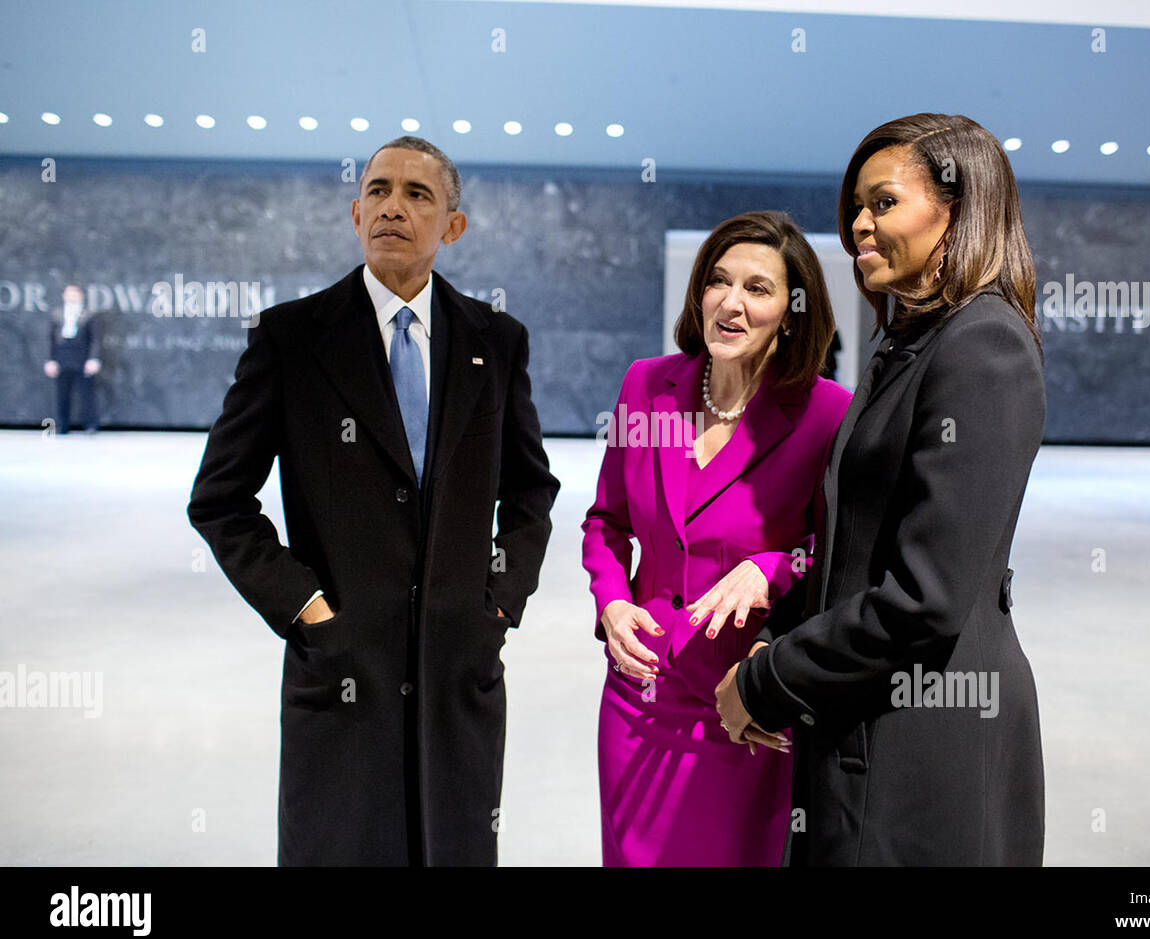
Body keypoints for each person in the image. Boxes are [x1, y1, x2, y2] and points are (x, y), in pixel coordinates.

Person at [187, 136, 560, 866]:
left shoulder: (496, 340)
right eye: (380, 191)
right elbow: (220, 499)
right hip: (342, 666)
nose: (395, 206)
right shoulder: (293, 338)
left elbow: (531, 489)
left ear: (452, 225)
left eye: (418, 194)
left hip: (459, 668)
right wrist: (307, 609)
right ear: (356, 213)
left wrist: (499, 602)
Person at [718, 113, 1047, 866]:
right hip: (869, 716)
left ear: (958, 209)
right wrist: (778, 638)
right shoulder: (910, 343)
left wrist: (768, 680)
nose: (860, 225)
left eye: (883, 203)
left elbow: (926, 597)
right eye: (856, 208)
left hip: (923, 736)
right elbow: (854, 545)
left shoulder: (982, 347)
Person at [583, 211, 852, 866]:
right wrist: (612, 602)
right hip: (638, 696)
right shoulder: (647, 386)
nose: (731, 303)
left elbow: (839, 551)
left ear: (791, 311)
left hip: (744, 704)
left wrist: (772, 567)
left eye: (757, 288)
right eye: (719, 281)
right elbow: (606, 522)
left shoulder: (826, 414)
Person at [44, 284, 101, 434]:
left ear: (80, 296)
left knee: (86, 394)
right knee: (62, 395)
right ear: (64, 296)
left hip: (82, 358)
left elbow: (95, 339)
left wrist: (93, 359)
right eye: (69, 294)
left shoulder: (89, 315)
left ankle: (90, 425)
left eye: (75, 294)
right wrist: (50, 360)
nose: (72, 297)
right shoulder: (57, 314)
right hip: (62, 358)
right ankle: (62, 426)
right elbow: (50, 339)